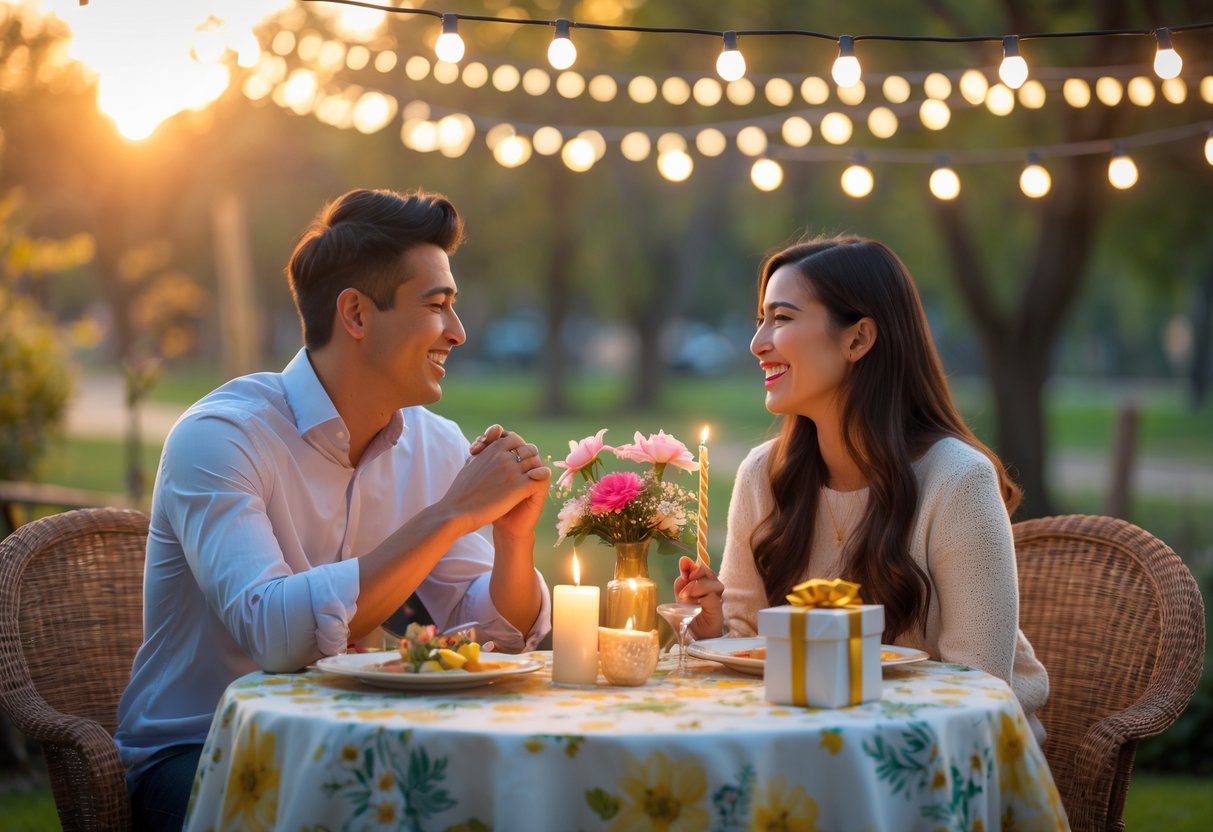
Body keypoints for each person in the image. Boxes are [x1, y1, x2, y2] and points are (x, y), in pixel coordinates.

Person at [115, 188, 553, 830]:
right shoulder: (220, 438)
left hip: (350, 740)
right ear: (356, 314)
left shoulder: (434, 444)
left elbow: (488, 626)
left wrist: (513, 541)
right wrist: (454, 513)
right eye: (437, 306)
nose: (458, 333)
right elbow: (276, 634)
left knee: (506, 800)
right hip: (203, 752)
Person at [674, 235, 1048, 736]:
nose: (757, 342)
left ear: (858, 340)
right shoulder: (762, 475)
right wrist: (711, 627)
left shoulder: (957, 481)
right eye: (761, 319)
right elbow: (747, 645)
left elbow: (977, 686)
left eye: (782, 319)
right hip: (806, 738)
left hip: (951, 757)